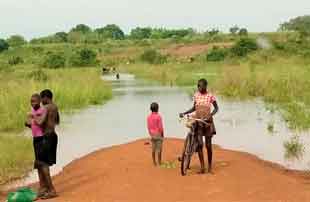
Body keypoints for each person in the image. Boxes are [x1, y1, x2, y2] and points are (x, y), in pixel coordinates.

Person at [179, 78, 219, 173]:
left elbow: (216, 108)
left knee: (208, 145)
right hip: (198, 122)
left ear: (205, 86)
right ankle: (202, 167)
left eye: (200, 86)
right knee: (200, 145)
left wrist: (211, 114)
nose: (199, 88)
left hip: (207, 122)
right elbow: (194, 108)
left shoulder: (210, 96)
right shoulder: (196, 95)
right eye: (198, 86)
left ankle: (209, 167)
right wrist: (184, 113)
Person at [34, 89, 60, 199]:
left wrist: (32, 116)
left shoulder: (46, 107)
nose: (40, 101)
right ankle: (43, 188)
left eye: (41, 99)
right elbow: (57, 121)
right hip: (52, 136)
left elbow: (40, 122)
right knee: (40, 163)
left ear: (46, 98)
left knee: (43, 164)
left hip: (46, 138)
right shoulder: (54, 107)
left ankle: (51, 190)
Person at [25, 94, 47, 198]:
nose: (32, 103)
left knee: (41, 163)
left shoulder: (43, 110)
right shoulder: (33, 110)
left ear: (39, 101)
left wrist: (33, 116)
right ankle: (42, 186)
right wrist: (28, 123)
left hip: (42, 138)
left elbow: (41, 122)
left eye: (34, 101)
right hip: (35, 138)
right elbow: (33, 124)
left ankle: (44, 187)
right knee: (38, 164)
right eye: (31, 101)